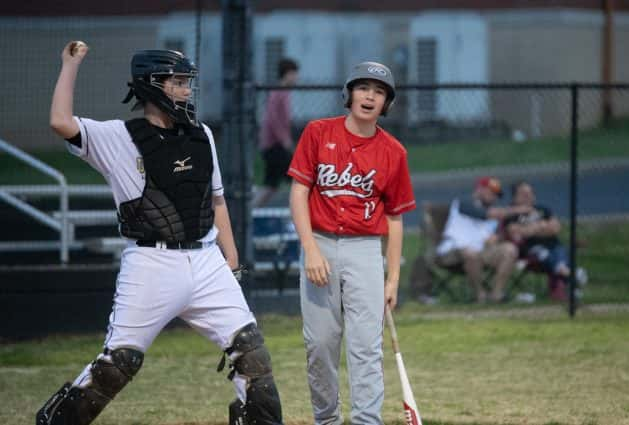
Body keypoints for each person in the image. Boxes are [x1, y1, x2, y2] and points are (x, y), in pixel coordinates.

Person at [36, 42, 283, 425]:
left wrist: (230, 258)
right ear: (152, 85)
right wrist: (70, 64)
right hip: (151, 262)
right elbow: (60, 122)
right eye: (178, 82)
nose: (187, 90)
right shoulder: (118, 136)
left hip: (205, 260)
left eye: (188, 82)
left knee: (252, 353)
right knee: (119, 363)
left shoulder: (201, 134)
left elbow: (217, 201)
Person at [288, 61, 415, 424]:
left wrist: (392, 279)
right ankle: (326, 420)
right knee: (320, 346)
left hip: (364, 251)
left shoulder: (394, 152)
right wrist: (310, 247)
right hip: (321, 245)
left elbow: (394, 217)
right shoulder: (317, 132)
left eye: (379, 92)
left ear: (386, 103)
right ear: (349, 94)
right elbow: (299, 193)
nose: (370, 96)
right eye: (363, 88)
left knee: (366, 348)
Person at [409, 177, 527, 304]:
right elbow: (483, 214)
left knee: (510, 250)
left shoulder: (495, 216)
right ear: (479, 190)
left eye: (496, 194)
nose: (493, 196)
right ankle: (479, 294)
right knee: (471, 253)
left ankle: (496, 293)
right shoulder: (463, 204)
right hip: (452, 252)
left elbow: (496, 233)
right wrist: (519, 210)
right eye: (490, 191)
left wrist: (497, 238)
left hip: (482, 251)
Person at [499, 180, 587, 301]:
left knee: (561, 251)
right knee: (543, 254)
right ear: (515, 197)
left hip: (554, 245)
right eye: (524, 194)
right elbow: (516, 232)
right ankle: (572, 277)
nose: (529, 197)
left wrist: (532, 229)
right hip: (530, 250)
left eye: (530, 193)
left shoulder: (543, 209)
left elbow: (555, 228)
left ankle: (564, 273)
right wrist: (541, 226)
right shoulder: (512, 213)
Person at [254, 58, 299, 207]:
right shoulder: (278, 92)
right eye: (294, 74)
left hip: (276, 145)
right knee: (298, 179)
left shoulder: (284, 92)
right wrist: (285, 141)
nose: (296, 77)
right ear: (286, 74)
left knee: (271, 184)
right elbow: (273, 119)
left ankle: (251, 211)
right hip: (275, 146)